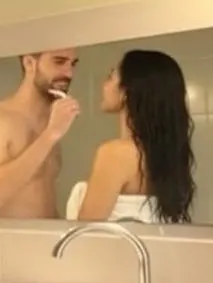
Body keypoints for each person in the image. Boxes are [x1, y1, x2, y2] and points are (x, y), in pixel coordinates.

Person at [66, 48, 196, 224]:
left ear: (126, 92)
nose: (104, 85)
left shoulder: (116, 153)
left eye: (111, 76)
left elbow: (86, 231)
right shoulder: (167, 155)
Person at [0, 48, 82, 218]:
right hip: (8, 242)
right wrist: (50, 134)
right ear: (29, 63)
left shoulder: (51, 121)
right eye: (59, 62)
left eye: (73, 64)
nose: (69, 73)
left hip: (44, 240)